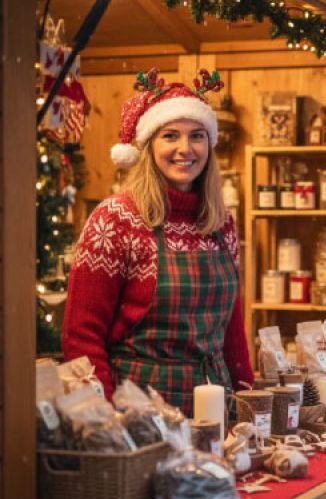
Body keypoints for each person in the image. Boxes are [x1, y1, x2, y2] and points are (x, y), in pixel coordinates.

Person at [63, 69, 253, 414]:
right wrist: (104, 419)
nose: (185, 149)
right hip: (141, 412)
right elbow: (82, 337)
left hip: (216, 410)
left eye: (197, 136)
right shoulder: (115, 219)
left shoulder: (220, 222)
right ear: (149, 145)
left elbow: (232, 332)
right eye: (170, 136)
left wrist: (250, 403)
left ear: (209, 146)